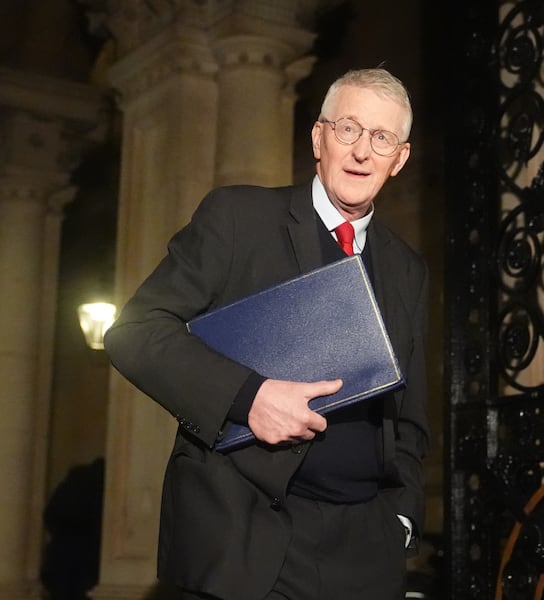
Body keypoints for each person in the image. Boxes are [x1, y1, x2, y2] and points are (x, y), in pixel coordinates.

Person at [104, 68, 429, 600]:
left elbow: (411, 416)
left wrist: (401, 520)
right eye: (348, 128)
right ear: (318, 137)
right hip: (253, 540)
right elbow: (135, 332)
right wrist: (247, 397)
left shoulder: (407, 268)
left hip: (367, 553)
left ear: (400, 158)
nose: (362, 151)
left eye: (381, 137)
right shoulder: (238, 218)